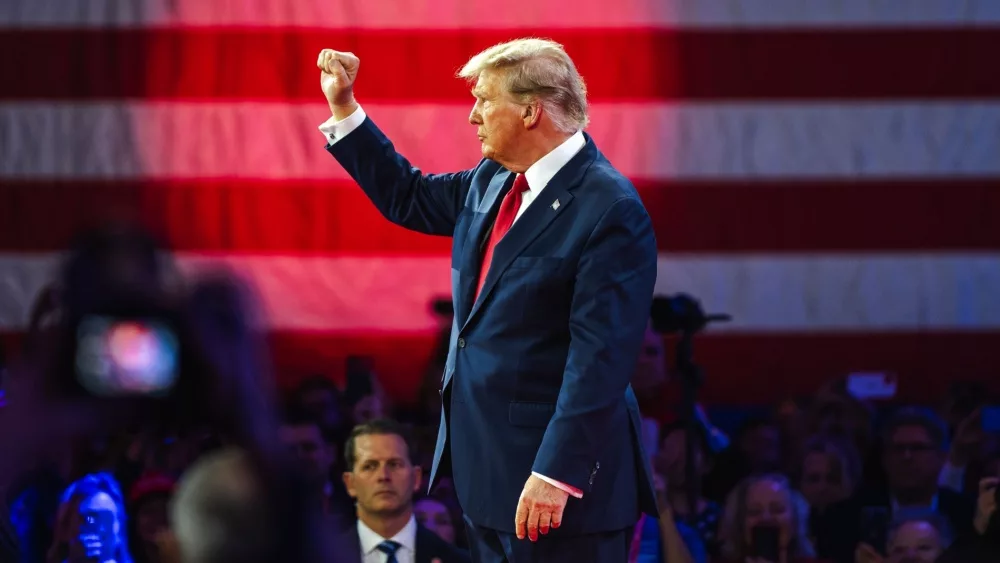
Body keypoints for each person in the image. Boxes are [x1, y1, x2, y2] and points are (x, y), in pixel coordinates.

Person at [316, 36, 659, 563]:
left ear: (529, 111)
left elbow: (601, 360)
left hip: (557, 493)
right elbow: (408, 196)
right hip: (486, 478)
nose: (473, 116)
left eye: (483, 100)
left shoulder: (609, 209)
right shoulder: (494, 178)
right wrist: (345, 108)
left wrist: (556, 475)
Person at [337, 419, 470, 563]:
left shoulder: (458, 560)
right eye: (370, 466)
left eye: (395, 464)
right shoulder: (319, 557)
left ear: (416, 478)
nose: (383, 476)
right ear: (350, 483)